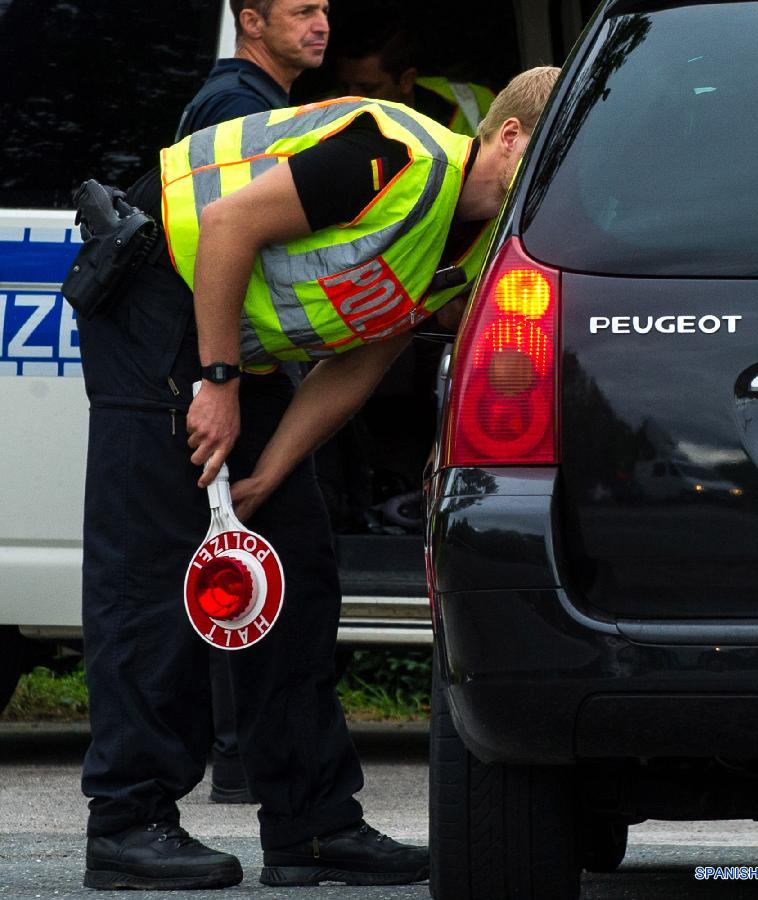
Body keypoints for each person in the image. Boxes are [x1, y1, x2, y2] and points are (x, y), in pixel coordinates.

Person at [76, 66, 560, 891]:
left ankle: (313, 827)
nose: (557, 186)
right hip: (157, 293)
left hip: (236, 339)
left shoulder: (476, 242)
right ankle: (127, 822)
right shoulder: (397, 156)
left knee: (293, 566)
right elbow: (228, 225)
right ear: (509, 136)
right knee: (154, 574)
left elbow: (358, 363)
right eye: (549, 159)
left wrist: (272, 469)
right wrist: (220, 383)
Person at [176, 0, 330, 808]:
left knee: (258, 563)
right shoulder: (238, 106)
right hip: (237, 374)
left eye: (326, 9)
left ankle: (250, 757)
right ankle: (249, 759)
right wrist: (224, 377)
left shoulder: (262, 104)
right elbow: (226, 235)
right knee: (262, 572)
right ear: (253, 19)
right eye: (302, 10)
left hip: (242, 368)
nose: (321, 23)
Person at [176, 0, 329, 140]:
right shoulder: (241, 105)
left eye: (325, 11)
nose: (323, 27)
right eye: (304, 12)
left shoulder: (241, 94)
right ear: (253, 23)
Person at [335, 21, 494, 137]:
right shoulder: (322, 112)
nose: (351, 98)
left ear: (407, 80)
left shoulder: (473, 100)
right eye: (343, 86)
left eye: (367, 88)